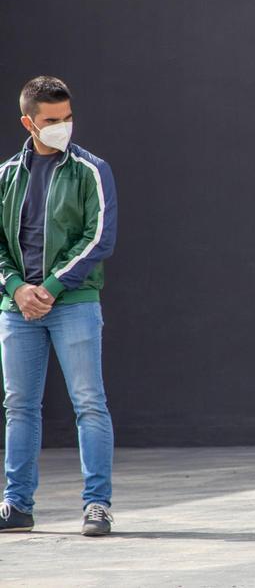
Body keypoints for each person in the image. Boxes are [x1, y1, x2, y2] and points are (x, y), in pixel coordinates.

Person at [0, 76, 119, 537]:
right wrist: (16, 288)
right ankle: (16, 505)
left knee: (89, 403)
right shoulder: (7, 175)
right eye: (51, 121)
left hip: (74, 304)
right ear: (28, 122)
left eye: (67, 118)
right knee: (19, 406)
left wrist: (47, 287)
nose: (62, 127)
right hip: (17, 308)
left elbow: (100, 237)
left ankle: (97, 506)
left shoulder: (92, 169)